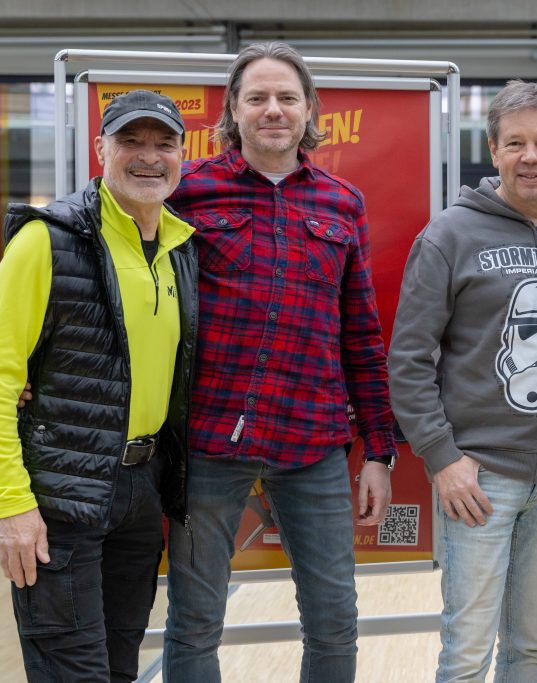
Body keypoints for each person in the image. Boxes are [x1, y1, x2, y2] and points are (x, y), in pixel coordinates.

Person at [161, 42, 396, 683]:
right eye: (257, 98)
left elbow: (361, 334)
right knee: (194, 623)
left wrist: (379, 449)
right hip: (209, 441)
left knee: (333, 623)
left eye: (286, 98)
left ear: (309, 110)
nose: (273, 110)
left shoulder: (343, 203)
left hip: (314, 443)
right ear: (233, 111)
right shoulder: (187, 192)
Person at [0, 89, 196, 682]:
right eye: (130, 142)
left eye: (163, 143)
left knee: (120, 667)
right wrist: (12, 505)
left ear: (183, 154)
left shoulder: (179, 249)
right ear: (100, 149)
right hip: (59, 498)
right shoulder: (45, 240)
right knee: (74, 672)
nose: (149, 157)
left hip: (140, 492)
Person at [388, 80, 537, 682]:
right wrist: (442, 457)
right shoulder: (450, 235)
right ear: (494, 150)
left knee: (527, 649)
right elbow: (408, 358)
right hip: (476, 476)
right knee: (466, 654)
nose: (529, 156)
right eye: (515, 144)